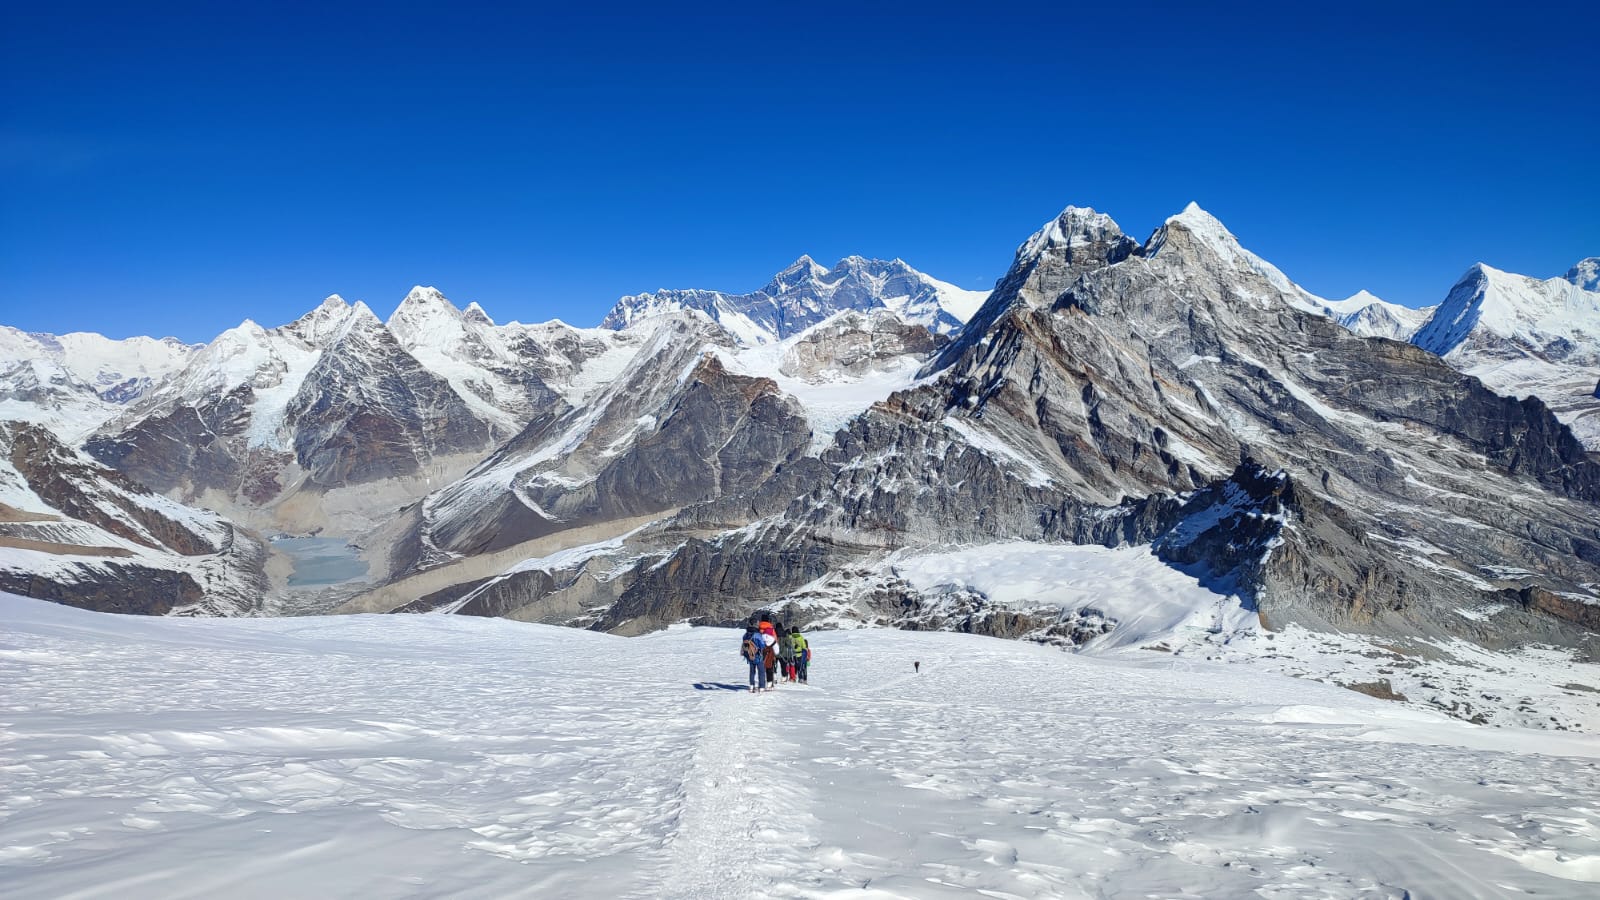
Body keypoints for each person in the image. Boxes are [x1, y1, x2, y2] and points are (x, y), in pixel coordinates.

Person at [741, 626, 766, 693]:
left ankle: (752, 686)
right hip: (757, 655)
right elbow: (762, 645)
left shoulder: (745, 635)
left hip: (749, 655)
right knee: (761, 671)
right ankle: (762, 687)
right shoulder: (757, 635)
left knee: (752, 671)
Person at [757, 613, 779, 688]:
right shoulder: (771, 628)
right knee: (770, 666)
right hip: (770, 649)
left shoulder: (758, 628)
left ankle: (761, 684)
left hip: (760, 649)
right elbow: (775, 639)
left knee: (761, 666)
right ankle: (769, 683)